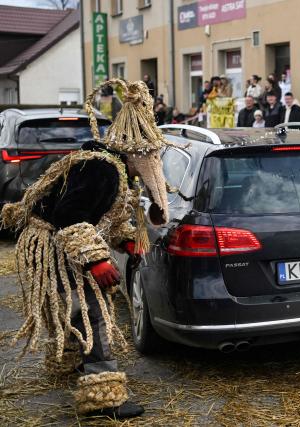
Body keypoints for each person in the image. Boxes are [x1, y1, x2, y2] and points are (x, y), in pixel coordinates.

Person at [1, 79, 174, 419]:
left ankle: (74, 362)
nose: (153, 163)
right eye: (149, 155)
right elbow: (70, 215)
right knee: (95, 310)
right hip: (55, 242)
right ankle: (103, 396)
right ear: (135, 152)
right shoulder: (102, 169)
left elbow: (104, 217)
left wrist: (123, 240)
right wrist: (95, 260)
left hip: (63, 241)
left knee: (79, 308)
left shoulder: (114, 168)